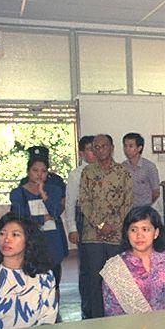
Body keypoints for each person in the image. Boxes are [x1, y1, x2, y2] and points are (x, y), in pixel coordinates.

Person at [101, 205, 165, 316]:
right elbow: (112, 310)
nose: (139, 235)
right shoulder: (115, 268)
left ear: (156, 233)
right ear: (127, 233)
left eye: (145, 229)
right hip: (134, 326)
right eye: (133, 230)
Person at [79, 134, 133, 318]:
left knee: (117, 278)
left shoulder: (123, 172)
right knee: (95, 280)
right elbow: (84, 201)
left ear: (112, 148)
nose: (100, 149)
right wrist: (100, 224)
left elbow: (128, 202)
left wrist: (113, 225)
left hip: (116, 235)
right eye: (97, 147)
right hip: (92, 235)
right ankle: (97, 319)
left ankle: (118, 318)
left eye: (104, 146)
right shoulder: (87, 172)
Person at [10, 156, 66, 286]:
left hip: (52, 240)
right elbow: (20, 217)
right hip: (30, 241)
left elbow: (55, 212)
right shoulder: (18, 193)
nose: (39, 174)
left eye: (43, 171)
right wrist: (41, 218)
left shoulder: (54, 190)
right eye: (35, 170)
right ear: (28, 171)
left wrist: (43, 194)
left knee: (53, 282)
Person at [65, 135, 96, 317]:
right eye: (90, 149)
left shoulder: (106, 171)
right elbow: (70, 203)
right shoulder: (76, 174)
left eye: (97, 148)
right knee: (86, 267)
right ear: (82, 153)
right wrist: (72, 228)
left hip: (104, 221)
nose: (95, 152)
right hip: (83, 219)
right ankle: (87, 307)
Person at [122, 132, 160, 207]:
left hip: (144, 209)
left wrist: (146, 206)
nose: (127, 149)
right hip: (127, 209)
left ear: (139, 148)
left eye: (131, 146)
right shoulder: (122, 167)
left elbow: (156, 192)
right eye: (125, 146)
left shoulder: (149, 167)